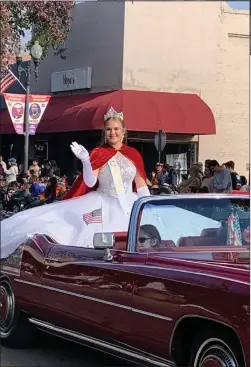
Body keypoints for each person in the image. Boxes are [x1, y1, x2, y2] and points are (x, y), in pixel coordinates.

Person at [1, 107, 150, 259]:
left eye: (116, 128)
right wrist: (86, 161)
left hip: (130, 204)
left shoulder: (133, 154)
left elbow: (142, 186)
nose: (113, 133)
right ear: (104, 132)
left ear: (123, 130)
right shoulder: (99, 153)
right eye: (109, 129)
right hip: (104, 202)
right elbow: (90, 181)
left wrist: (150, 207)